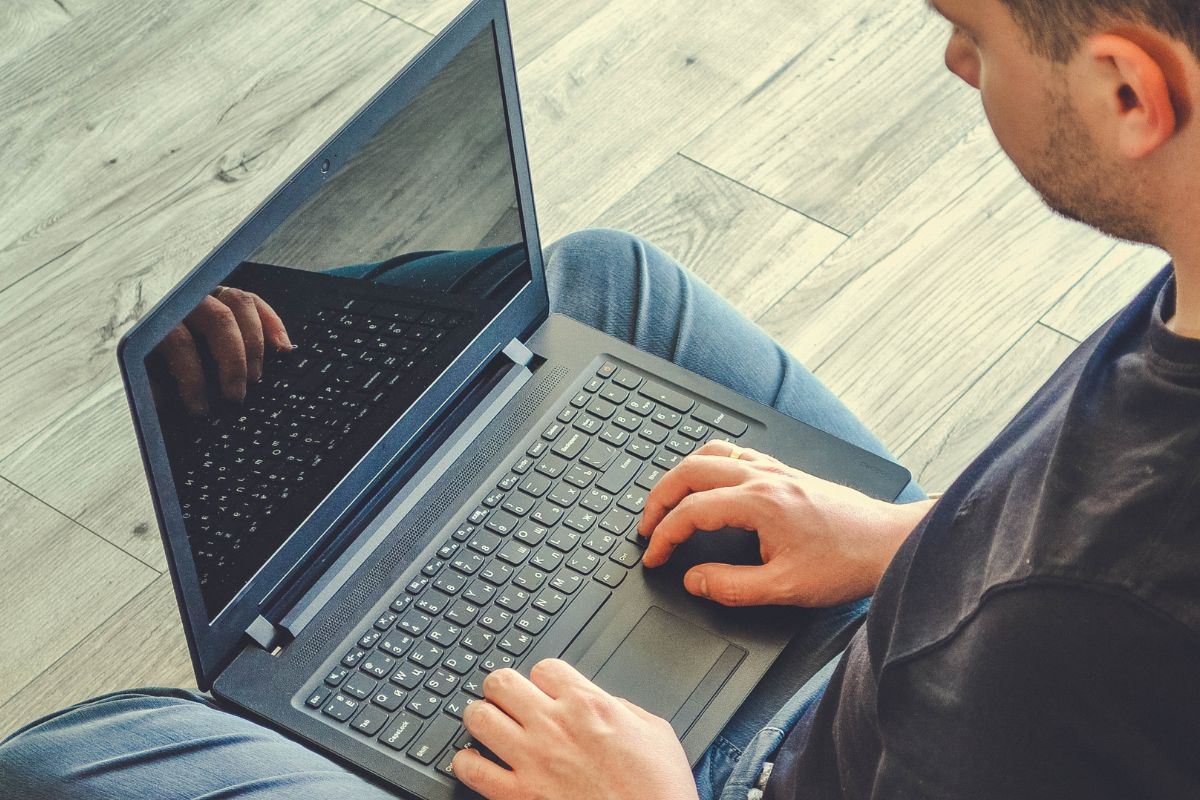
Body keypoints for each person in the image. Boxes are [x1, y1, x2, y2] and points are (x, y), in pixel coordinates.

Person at [3, 0, 1199, 797]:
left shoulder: (1089, 629)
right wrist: (912, 537)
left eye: (971, 32)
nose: (952, 59)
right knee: (597, 285)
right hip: (892, 653)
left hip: (751, 770)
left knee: (69, 758)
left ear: (1132, 92)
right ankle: (276, 383)